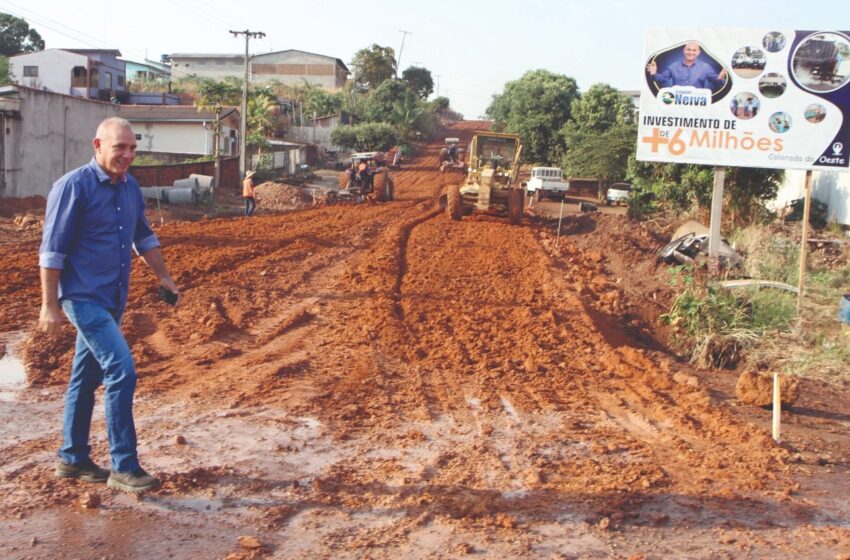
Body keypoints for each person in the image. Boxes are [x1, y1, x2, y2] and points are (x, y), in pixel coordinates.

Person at [39, 117, 181, 493]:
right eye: (120, 147)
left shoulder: (129, 187)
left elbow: (143, 236)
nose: (128, 155)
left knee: (85, 378)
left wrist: (163, 276)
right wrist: (48, 306)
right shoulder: (73, 187)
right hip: (82, 297)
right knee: (122, 370)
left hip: (113, 297)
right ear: (97, 145)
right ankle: (124, 466)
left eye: (133, 149)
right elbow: (52, 251)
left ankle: (72, 459)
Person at [647, 41, 729, 90]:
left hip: (697, 105)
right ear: (684, 50)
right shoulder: (673, 66)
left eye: (694, 50)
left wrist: (720, 78)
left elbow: (716, 82)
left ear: (698, 52)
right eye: (688, 49)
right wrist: (654, 74)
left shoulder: (705, 67)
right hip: (677, 104)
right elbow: (663, 79)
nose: (691, 52)